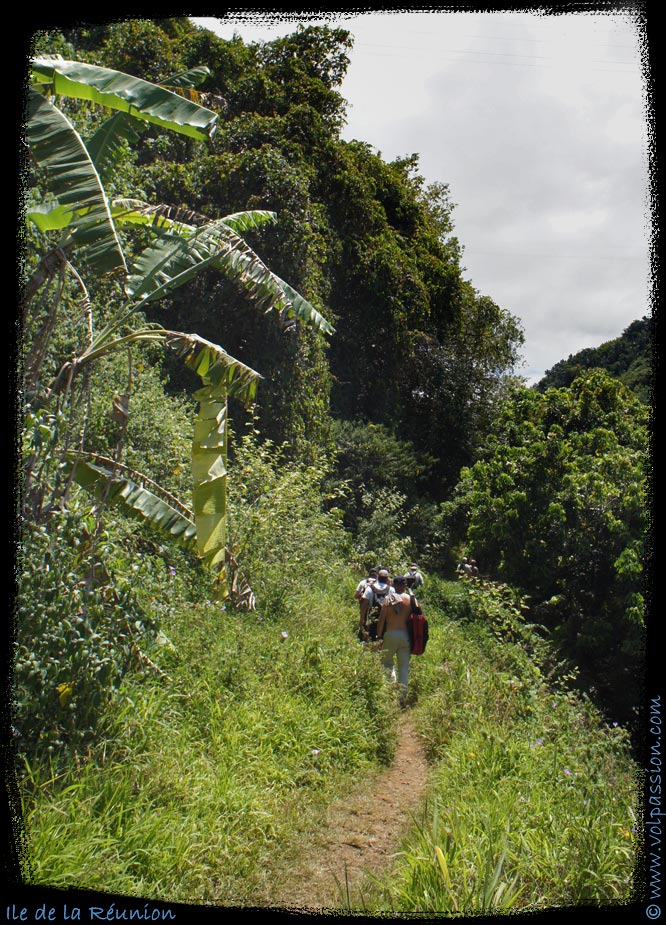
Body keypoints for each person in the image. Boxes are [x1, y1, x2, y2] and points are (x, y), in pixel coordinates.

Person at [376, 575, 413, 707]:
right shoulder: (411, 600)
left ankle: (391, 691)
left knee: (387, 663)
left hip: (390, 634)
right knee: (403, 667)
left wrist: (379, 636)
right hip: (405, 635)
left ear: (392, 585)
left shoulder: (388, 599)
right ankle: (402, 697)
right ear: (405, 586)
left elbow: (381, 619)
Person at [359, 568, 391, 642]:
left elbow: (364, 605)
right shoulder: (391, 589)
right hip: (387, 617)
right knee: (384, 638)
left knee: (372, 636)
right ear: (387, 579)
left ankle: (372, 649)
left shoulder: (370, 589)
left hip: (372, 615)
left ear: (378, 577)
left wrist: (362, 620)